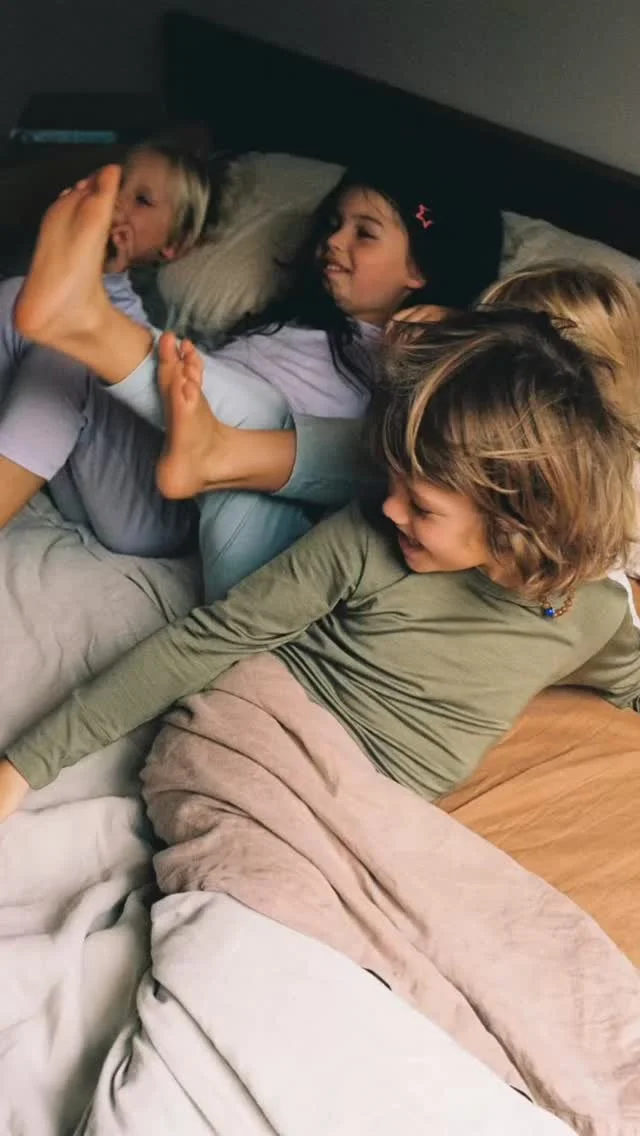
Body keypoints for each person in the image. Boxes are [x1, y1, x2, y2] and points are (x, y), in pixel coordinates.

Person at [2, 308, 640, 820]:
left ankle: (210, 449)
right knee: (273, 482)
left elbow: (628, 679)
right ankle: (185, 424)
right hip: (269, 728)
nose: (390, 507)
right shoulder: (367, 537)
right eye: (394, 484)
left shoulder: (591, 613)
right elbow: (207, 639)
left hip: (364, 808)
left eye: (420, 505)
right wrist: (25, 765)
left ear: (518, 521)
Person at [12, 160, 503, 597]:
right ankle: (84, 317)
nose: (334, 241)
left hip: (176, 505)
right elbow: (172, 368)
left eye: (365, 233)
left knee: (78, 356)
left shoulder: (404, 364)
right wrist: (115, 280)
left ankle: (85, 319)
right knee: (25, 305)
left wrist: (446, 331)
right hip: (133, 462)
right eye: (335, 225)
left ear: (421, 269)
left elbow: (445, 424)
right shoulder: (293, 327)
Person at [0, 136, 211, 552]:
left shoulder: (162, 304)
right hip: (78, 474)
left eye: (142, 201)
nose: (117, 204)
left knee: (72, 352)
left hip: (148, 508)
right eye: (117, 188)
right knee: (13, 297)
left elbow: (130, 348)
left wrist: (111, 273)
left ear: (173, 245)